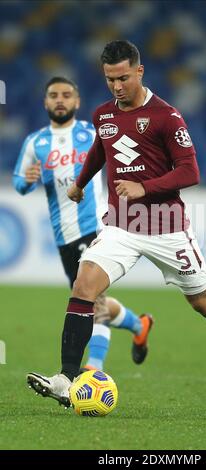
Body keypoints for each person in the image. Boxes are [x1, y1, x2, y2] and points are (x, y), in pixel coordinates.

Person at [27, 41, 206, 408]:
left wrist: (144, 187)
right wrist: (80, 183)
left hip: (165, 225)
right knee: (84, 284)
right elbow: (101, 150)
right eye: (109, 80)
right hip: (121, 225)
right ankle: (65, 377)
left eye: (123, 78)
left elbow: (190, 171)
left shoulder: (167, 116)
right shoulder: (103, 115)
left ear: (139, 71)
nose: (117, 87)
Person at [13, 76, 153, 377]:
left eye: (66, 95)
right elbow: (18, 182)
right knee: (87, 300)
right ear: (45, 102)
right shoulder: (35, 143)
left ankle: (92, 369)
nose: (60, 99)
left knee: (91, 301)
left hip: (97, 226)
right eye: (53, 95)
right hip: (64, 234)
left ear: (77, 102)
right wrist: (26, 181)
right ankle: (139, 325)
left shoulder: (94, 133)